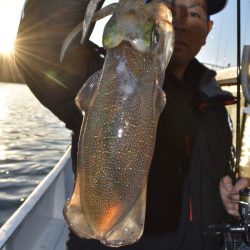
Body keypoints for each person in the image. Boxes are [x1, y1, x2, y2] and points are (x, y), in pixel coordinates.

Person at [14, 0, 250, 249]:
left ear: (208, 29)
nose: (178, 23)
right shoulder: (103, 72)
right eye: (168, 6)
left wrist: (226, 197)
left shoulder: (216, 104)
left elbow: (212, 176)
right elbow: (45, 49)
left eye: (192, 13)